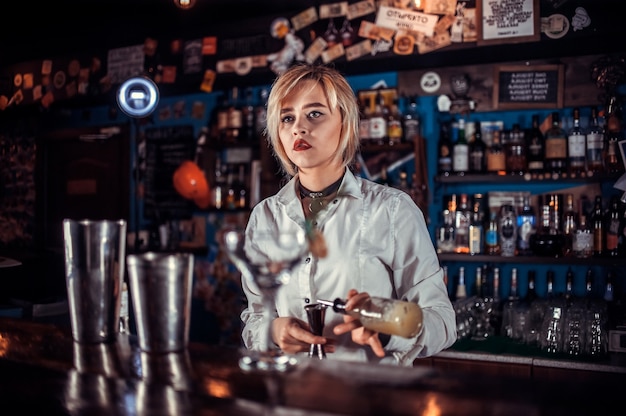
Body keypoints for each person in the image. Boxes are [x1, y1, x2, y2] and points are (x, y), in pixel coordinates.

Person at [240, 62, 456, 365]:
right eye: (287, 118)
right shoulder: (265, 217)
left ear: (346, 122)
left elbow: (443, 322)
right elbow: (255, 318)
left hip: (369, 397)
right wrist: (274, 330)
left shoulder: (393, 210)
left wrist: (385, 324)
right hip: (291, 396)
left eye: (314, 113)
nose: (299, 127)